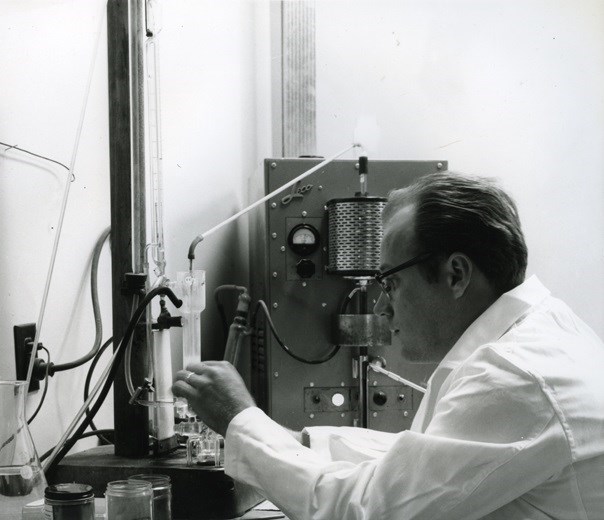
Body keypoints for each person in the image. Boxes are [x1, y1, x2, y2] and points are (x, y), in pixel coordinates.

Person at [172, 172, 604, 520]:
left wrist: (240, 419)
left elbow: (367, 511)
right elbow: (428, 460)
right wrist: (299, 440)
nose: (381, 305)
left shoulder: (513, 376)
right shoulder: (543, 332)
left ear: (456, 274)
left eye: (391, 282)